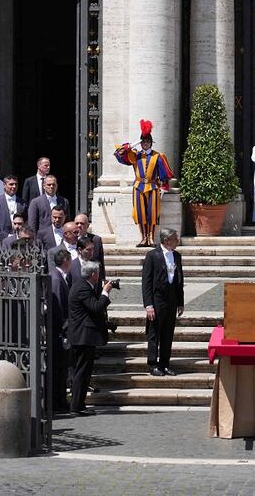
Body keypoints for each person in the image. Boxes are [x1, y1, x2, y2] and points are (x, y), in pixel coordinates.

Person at [114, 120, 174, 247]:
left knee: (152, 213)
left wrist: (164, 186)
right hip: (139, 187)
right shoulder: (135, 155)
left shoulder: (158, 156)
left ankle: (151, 238)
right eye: (144, 142)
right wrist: (134, 144)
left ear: (151, 143)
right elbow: (119, 152)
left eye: (148, 142)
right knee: (140, 213)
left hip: (153, 186)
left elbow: (164, 173)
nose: (146, 144)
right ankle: (143, 238)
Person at [67, 260, 112, 415]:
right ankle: (76, 406)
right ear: (93, 274)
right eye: (97, 273)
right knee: (81, 372)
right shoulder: (82, 288)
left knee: (85, 372)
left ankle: (80, 404)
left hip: (85, 336)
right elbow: (96, 306)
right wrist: (105, 292)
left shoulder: (85, 285)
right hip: (82, 337)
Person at [141, 228, 184, 377]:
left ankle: (165, 363)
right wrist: (148, 305)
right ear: (166, 241)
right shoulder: (152, 256)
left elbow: (179, 280)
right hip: (157, 301)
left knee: (168, 334)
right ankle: (153, 364)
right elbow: (146, 282)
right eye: (175, 239)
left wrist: (180, 302)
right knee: (154, 334)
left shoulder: (177, 256)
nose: (177, 241)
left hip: (171, 301)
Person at [49, 248, 73, 414]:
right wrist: (63, 328)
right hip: (58, 332)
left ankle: (60, 400)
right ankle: (58, 402)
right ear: (65, 261)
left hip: (59, 331)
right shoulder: (57, 279)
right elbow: (57, 307)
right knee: (58, 369)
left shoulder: (58, 276)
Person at [0, 175, 25, 244]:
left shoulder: (22, 202)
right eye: (11, 184)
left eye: (16, 184)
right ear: (4, 185)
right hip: (0, 242)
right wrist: (6, 237)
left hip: (20, 242)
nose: (14, 186)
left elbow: (26, 222)